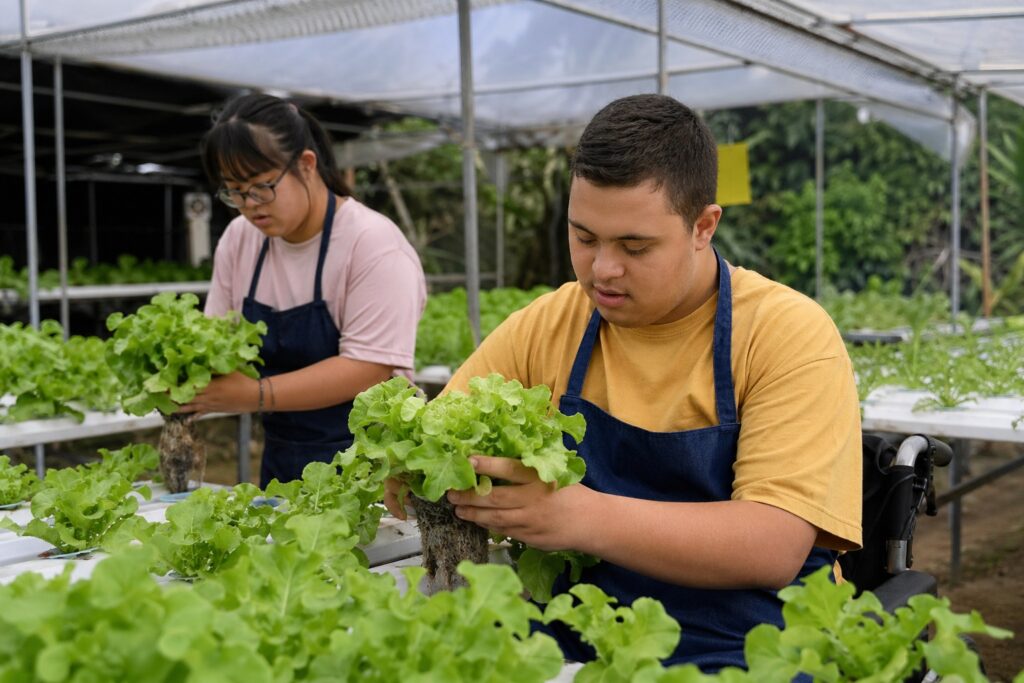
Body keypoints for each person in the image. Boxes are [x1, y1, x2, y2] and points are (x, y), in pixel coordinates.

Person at [385, 94, 861, 672]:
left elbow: (772, 544)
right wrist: (423, 464)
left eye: (635, 247)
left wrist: (578, 517)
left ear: (703, 226)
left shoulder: (786, 333)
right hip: (582, 627)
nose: (602, 269)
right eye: (584, 238)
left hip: (752, 640)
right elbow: (445, 433)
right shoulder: (551, 322)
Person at [184, 93, 426, 488]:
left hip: (374, 466)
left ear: (306, 164)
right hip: (284, 459)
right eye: (235, 191)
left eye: (261, 187)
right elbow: (220, 336)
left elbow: (369, 367)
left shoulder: (371, 243)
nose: (249, 205)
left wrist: (255, 395)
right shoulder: (240, 239)